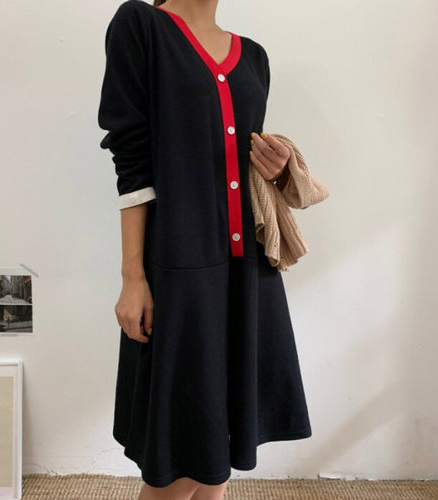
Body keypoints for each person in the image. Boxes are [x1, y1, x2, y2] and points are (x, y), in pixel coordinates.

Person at [97, 1, 312, 498]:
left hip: (248, 271)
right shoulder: (141, 26)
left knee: (221, 450)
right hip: (179, 268)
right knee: (180, 456)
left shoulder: (254, 56)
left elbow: (235, 163)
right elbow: (132, 159)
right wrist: (133, 276)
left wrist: (278, 168)